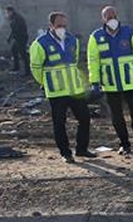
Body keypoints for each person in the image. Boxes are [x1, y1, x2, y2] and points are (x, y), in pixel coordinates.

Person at [30, 11, 95, 163]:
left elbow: (75, 62)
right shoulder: (40, 43)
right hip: (56, 92)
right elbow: (35, 68)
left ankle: (82, 149)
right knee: (59, 123)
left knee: (85, 118)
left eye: (64, 26)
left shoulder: (73, 40)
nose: (62, 29)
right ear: (51, 25)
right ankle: (65, 153)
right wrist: (45, 83)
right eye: (59, 25)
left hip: (75, 89)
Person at [87, 6, 133, 155]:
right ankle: (124, 144)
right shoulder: (96, 37)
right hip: (110, 84)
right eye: (108, 17)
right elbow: (93, 61)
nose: (112, 19)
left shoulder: (130, 33)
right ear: (103, 19)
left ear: (117, 16)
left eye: (113, 16)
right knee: (117, 117)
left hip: (130, 82)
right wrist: (94, 81)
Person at [5, 6, 29, 74]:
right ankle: (16, 67)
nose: (7, 14)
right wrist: (9, 38)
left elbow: (16, 30)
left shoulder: (17, 18)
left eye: (7, 12)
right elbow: (13, 30)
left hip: (21, 37)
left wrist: (11, 38)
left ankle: (28, 71)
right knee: (14, 50)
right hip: (18, 38)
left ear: (11, 11)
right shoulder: (13, 18)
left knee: (23, 54)